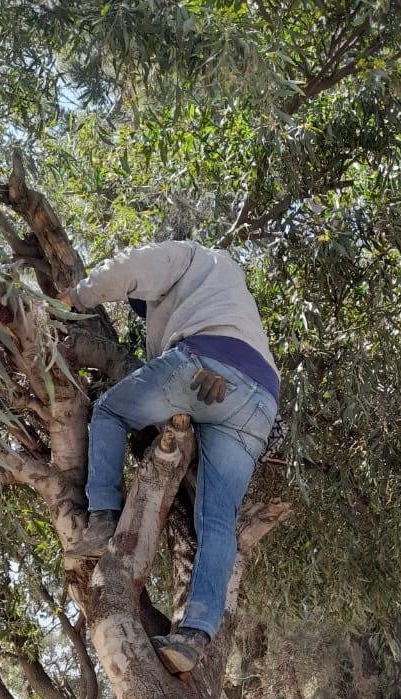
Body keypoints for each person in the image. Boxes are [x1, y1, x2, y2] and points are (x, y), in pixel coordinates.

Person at [60, 240, 279, 674]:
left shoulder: (188, 254)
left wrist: (72, 299)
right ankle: (194, 637)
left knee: (110, 410)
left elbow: (129, 267)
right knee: (217, 520)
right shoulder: (231, 290)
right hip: (261, 400)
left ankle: (103, 516)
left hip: (205, 362)